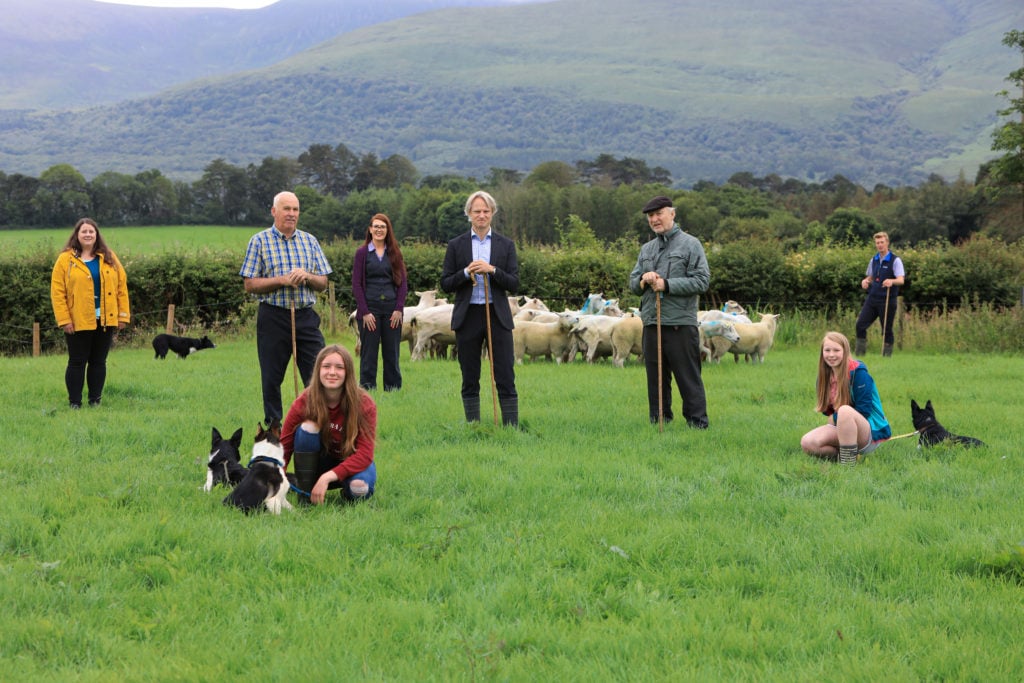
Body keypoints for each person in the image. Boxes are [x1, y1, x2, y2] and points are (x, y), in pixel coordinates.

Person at [240, 191, 332, 426]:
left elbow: (323, 283)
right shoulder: (259, 241)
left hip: (305, 317)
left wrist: (307, 276)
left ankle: (318, 423)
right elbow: (250, 284)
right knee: (271, 378)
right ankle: (274, 428)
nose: (292, 214)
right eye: (286, 209)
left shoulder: (310, 241)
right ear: (274, 211)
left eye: (295, 209)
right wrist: (281, 280)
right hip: (273, 317)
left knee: (317, 374)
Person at [628, 195, 710, 429]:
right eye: (650, 216)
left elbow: (702, 281)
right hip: (652, 323)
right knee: (655, 378)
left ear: (672, 214)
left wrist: (667, 284)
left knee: (688, 377)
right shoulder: (647, 249)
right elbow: (633, 283)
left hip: (680, 324)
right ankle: (659, 421)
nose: (654, 219)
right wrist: (643, 280)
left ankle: (697, 424)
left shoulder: (691, 244)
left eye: (659, 214)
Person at [440, 190, 520, 426]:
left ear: (492, 213)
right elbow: (445, 283)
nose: (482, 215)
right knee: (470, 374)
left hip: (497, 314)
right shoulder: (456, 245)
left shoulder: (506, 245)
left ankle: (510, 427)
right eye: (477, 211)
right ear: (469, 214)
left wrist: (492, 270)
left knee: (505, 372)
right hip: (468, 315)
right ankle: (473, 425)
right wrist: (466, 272)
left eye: (486, 211)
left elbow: (514, 283)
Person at [280, 344, 377, 505]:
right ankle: (305, 494)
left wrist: (328, 477)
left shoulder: (365, 404)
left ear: (348, 373)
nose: (332, 372)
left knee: (359, 489)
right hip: (316, 465)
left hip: (350, 464)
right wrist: (274, 480)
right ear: (318, 370)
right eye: (326, 366)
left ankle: (346, 493)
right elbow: (284, 447)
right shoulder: (304, 402)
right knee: (307, 428)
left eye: (339, 367)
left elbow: (365, 454)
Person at [50, 217, 130, 409]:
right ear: (77, 235)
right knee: (77, 362)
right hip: (77, 321)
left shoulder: (109, 257)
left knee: (98, 362)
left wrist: (123, 315)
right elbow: (57, 292)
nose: (88, 234)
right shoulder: (65, 260)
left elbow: (121, 287)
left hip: (105, 319)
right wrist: (64, 319)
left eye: (91, 231)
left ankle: (95, 401)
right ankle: (75, 403)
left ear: (96, 235)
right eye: (84, 231)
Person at [800, 331, 892, 465]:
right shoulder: (823, 377)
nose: (831, 355)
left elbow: (864, 410)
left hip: (869, 432)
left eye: (836, 350)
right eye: (827, 350)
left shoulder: (859, 374)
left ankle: (848, 465)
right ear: (822, 353)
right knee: (808, 442)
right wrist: (834, 417)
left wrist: (836, 417)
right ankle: (845, 455)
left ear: (845, 351)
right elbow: (827, 411)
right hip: (843, 428)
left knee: (844, 411)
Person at [351, 213, 409, 391]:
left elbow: (403, 283)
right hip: (370, 310)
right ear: (370, 229)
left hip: (392, 310)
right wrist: (365, 312)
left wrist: (399, 309)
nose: (379, 230)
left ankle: (393, 389)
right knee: (369, 353)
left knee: (392, 352)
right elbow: (356, 284)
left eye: (382, 227)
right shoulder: (362, 253)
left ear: (387, 230)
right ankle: (367, 390)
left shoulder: (395, 252)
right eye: (375, 226)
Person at [855, 231, 905, 357]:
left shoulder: (895, 260)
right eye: (877, 243)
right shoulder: (874, 259)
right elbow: (871, 276)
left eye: (882, 242)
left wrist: (891, 281)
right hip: (872, 298)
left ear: (887, 243)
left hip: (887, 299)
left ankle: (886, 357)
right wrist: (866, 281)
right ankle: (860, 355)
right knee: (860, 325)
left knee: (886, 329)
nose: (880, 245)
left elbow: (901, 280)